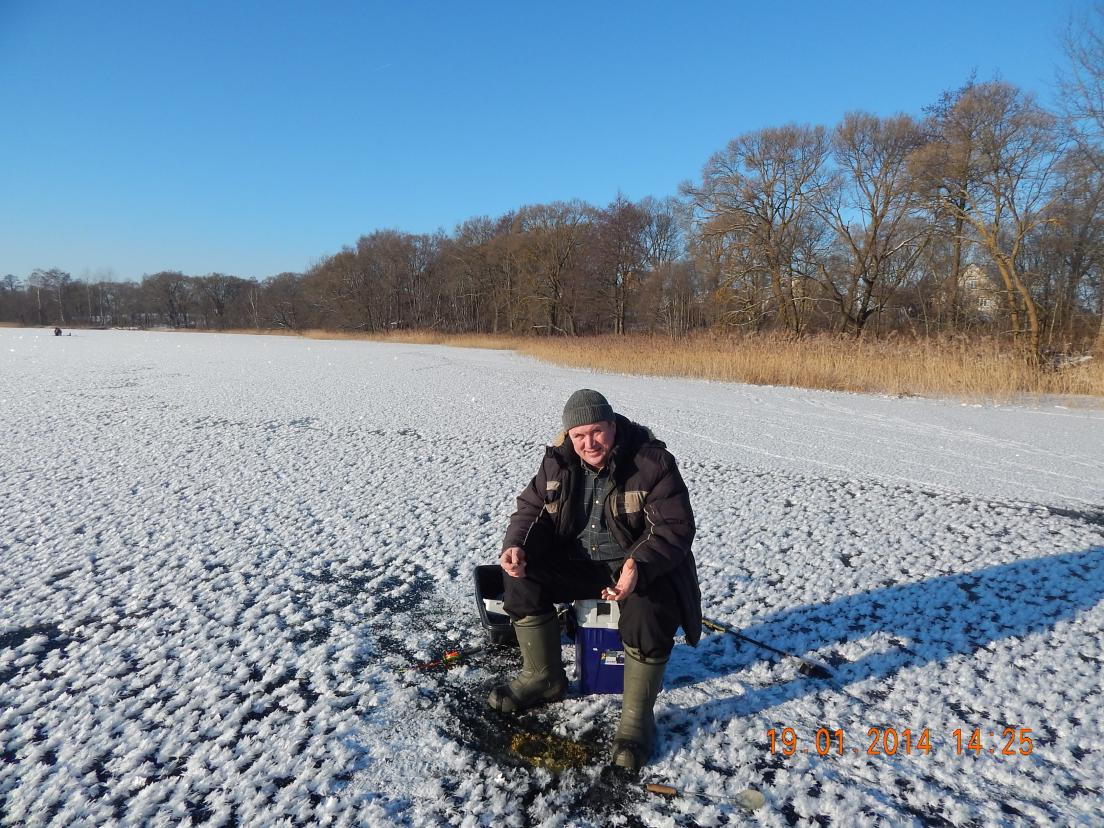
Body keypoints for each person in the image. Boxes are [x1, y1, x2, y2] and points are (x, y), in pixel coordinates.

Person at [488, 389, 701, 771]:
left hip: (636, 566)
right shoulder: (557, 462)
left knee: (650, 609)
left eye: (597, 431)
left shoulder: (652, 462)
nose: (589, 443)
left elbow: (674, 527)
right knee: (520, 576)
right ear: (568, 436)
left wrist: (638, 565)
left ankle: (636, 720)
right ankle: (543, 678)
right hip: (577, 563)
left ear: (612, 425)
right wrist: (515, 546)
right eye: (579, 435)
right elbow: (530, 509)